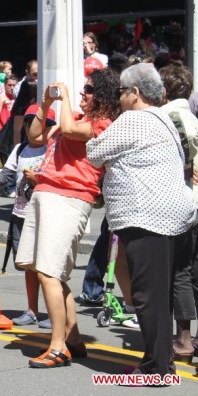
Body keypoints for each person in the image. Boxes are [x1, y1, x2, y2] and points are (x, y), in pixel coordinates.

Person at [87, 62, 195, 380]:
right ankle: (160, 361)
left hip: (147, 216)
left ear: (135, 93)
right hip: (171, 216)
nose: (119, 98)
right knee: (159, 294)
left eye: (121, 92)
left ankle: (156, 368)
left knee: (147, 294)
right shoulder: (161, 117)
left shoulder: (134, 119)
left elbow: (94, 151)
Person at [16, 68, 121, 368]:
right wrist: (47, 104)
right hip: (46, 194)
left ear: (102, 96)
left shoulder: (103, 123)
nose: (81, 93)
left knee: (49, 272)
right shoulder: (72, 117)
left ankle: (58, 346)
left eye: (88, 89)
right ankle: (73, 339)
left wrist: (61, 103)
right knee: (50, 272)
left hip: (69, 199)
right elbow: (35, 136)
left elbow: (72, 132)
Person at [0, 104, 54, 328]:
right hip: (20, 215)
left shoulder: (54, 149)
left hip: (45, 216)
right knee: (28, 266)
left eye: (43, 124)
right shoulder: (19, 149)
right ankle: (32, 310)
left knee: (47, 266)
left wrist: (39, 179)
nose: (33, 128)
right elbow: (5, 177)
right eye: (29, 123)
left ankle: (54, 313)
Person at [159, 64, 198, 361]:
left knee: (181, 272)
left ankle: (183, 340)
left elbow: (180, 161)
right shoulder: (189, 116)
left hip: (184, 203)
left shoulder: (171, 117)